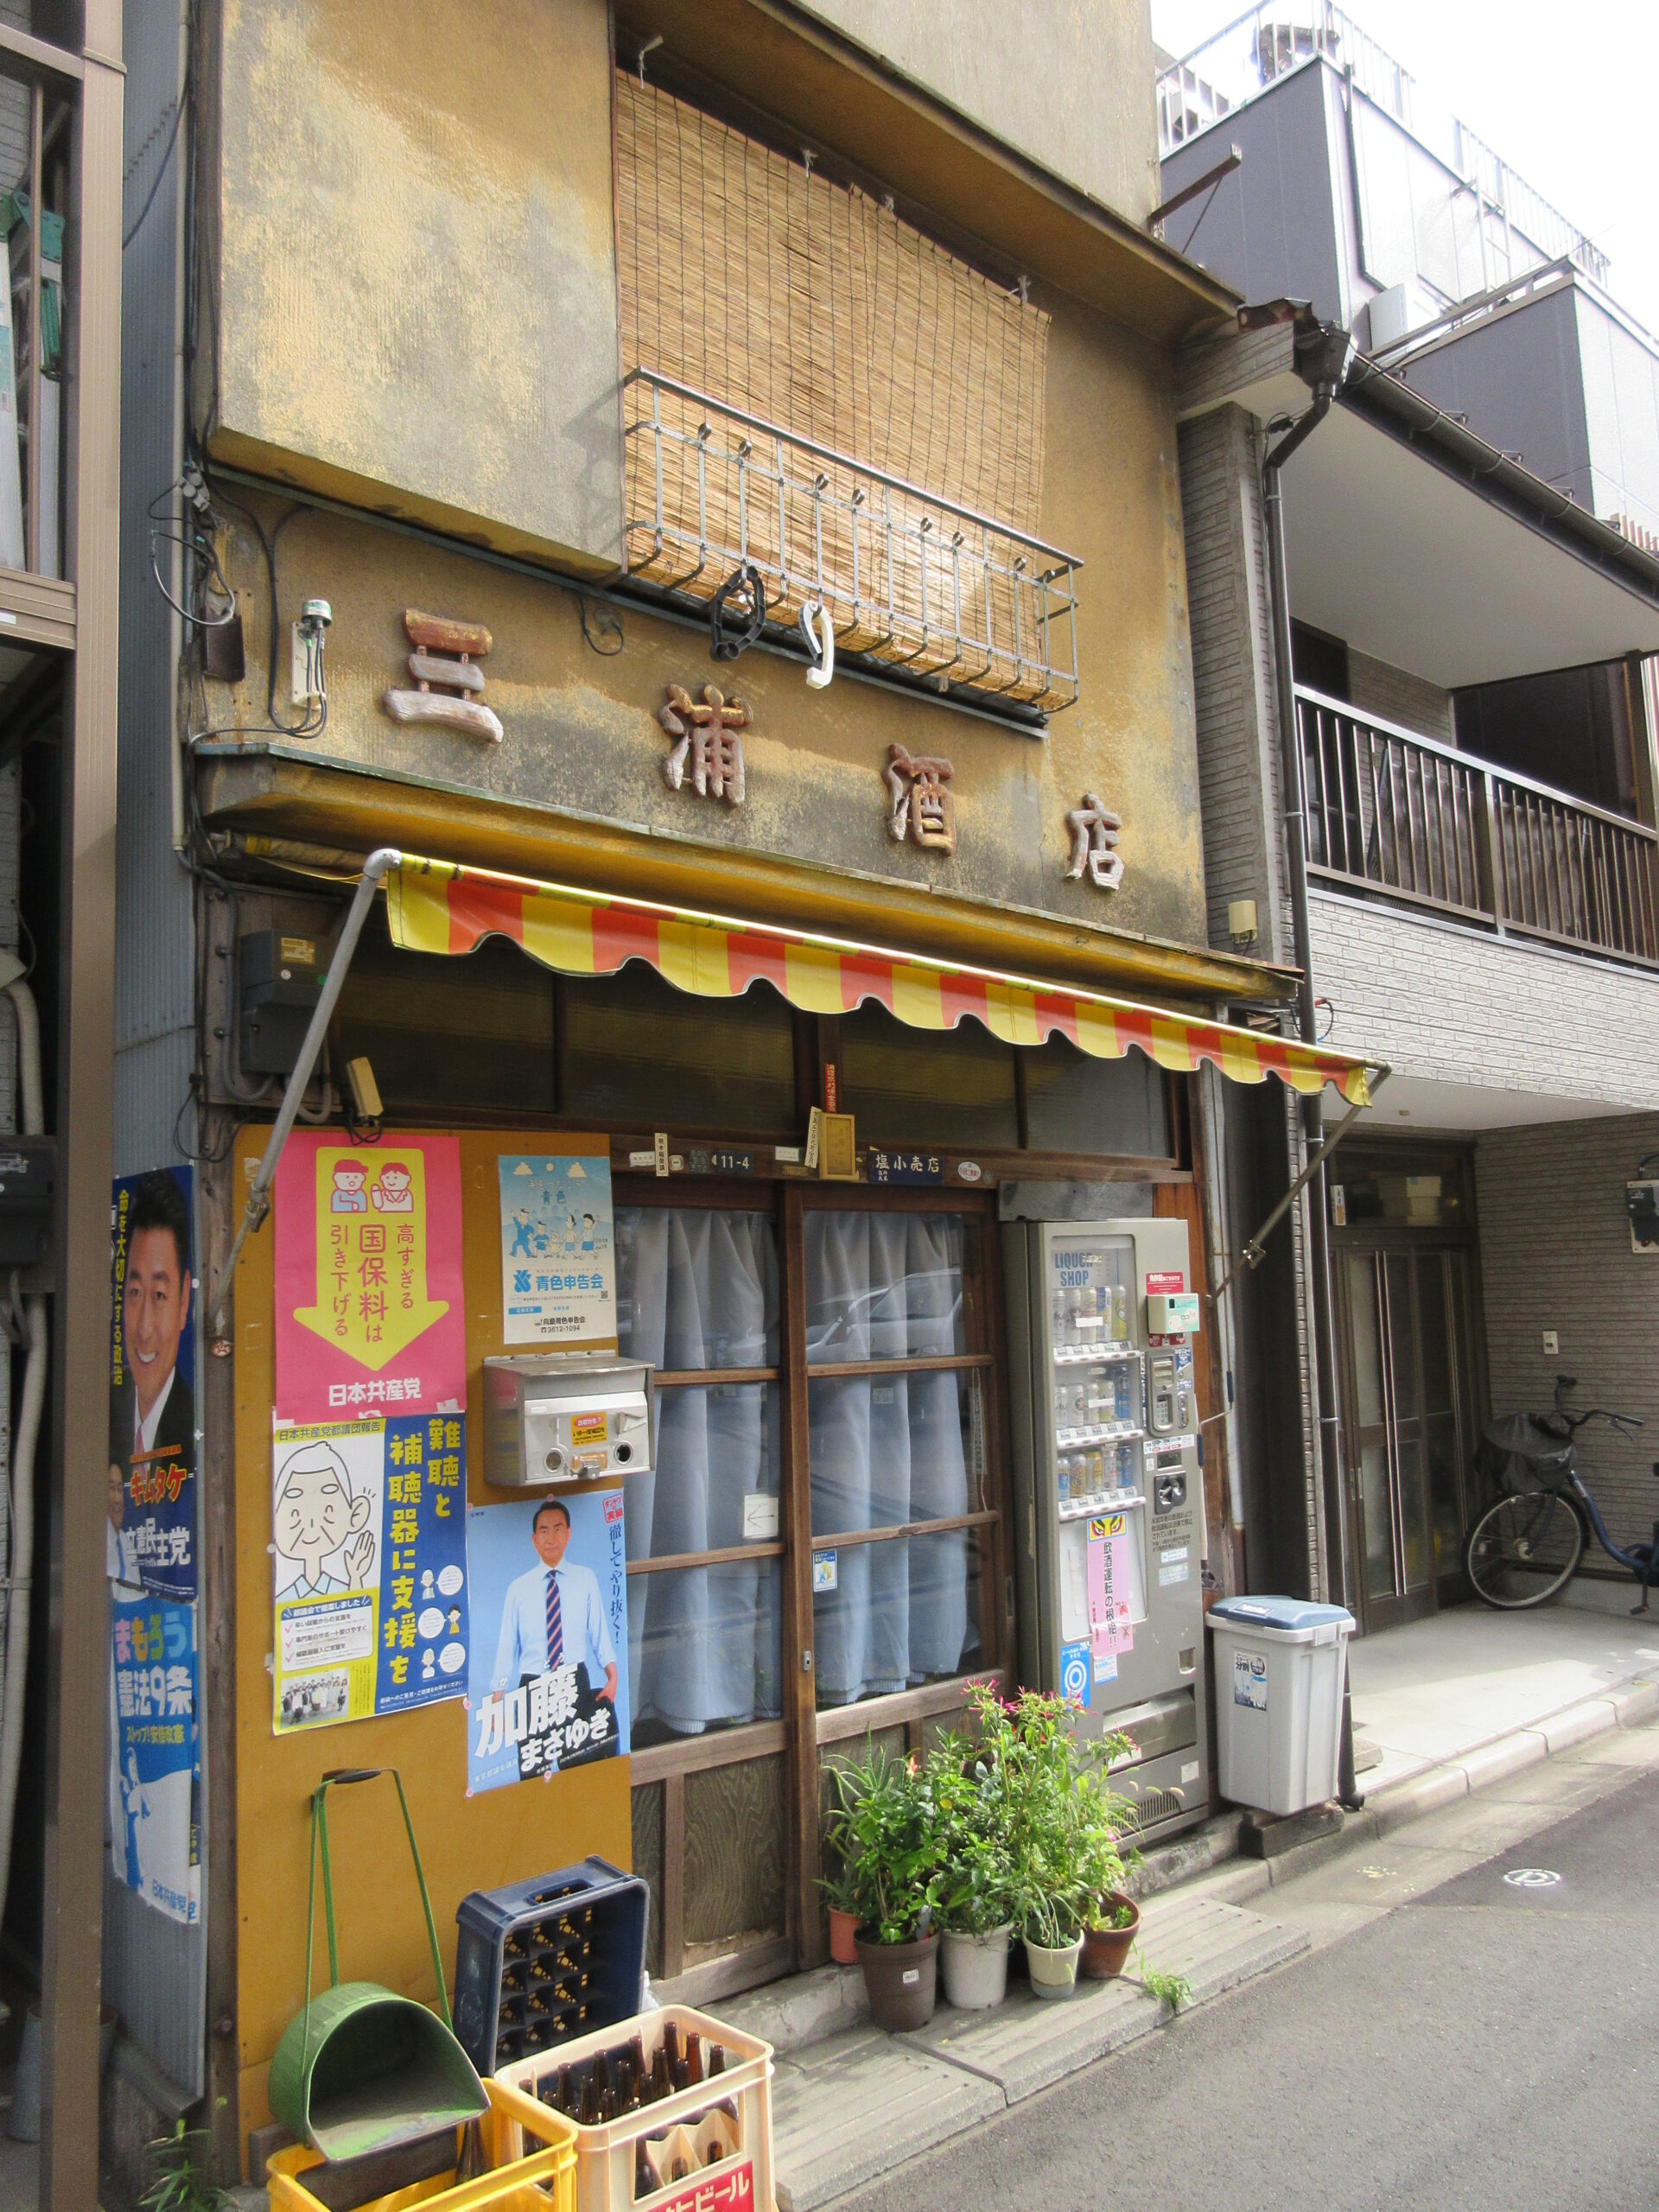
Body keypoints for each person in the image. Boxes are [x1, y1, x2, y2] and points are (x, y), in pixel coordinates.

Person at [108, 1173, 194, 1588]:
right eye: (134, 1293)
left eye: (159, 1296)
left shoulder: (191, 1426)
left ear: (184, 1302)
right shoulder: (107, 1411)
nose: (143, 1329)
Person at [491, 1498, 618, 1703]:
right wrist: (497, 1696)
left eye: (558, 1530)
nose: (550, 1539)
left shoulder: (585, 1578)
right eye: (544, 1531)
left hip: (574, 1679)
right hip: (533, 1685)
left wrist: (612, 1676)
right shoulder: (518, 1588)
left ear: (568, 1534)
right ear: (534, 1539)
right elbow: (507, 1644)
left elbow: (599, 1631)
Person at [272, 1438, 376, 1599]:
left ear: (355, 1515)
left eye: (328, 1510)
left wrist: (356, 1577)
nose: (311, 1521)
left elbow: (358, 1609)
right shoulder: (283, 1598)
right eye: (294, 1494)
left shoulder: (344, 1589)